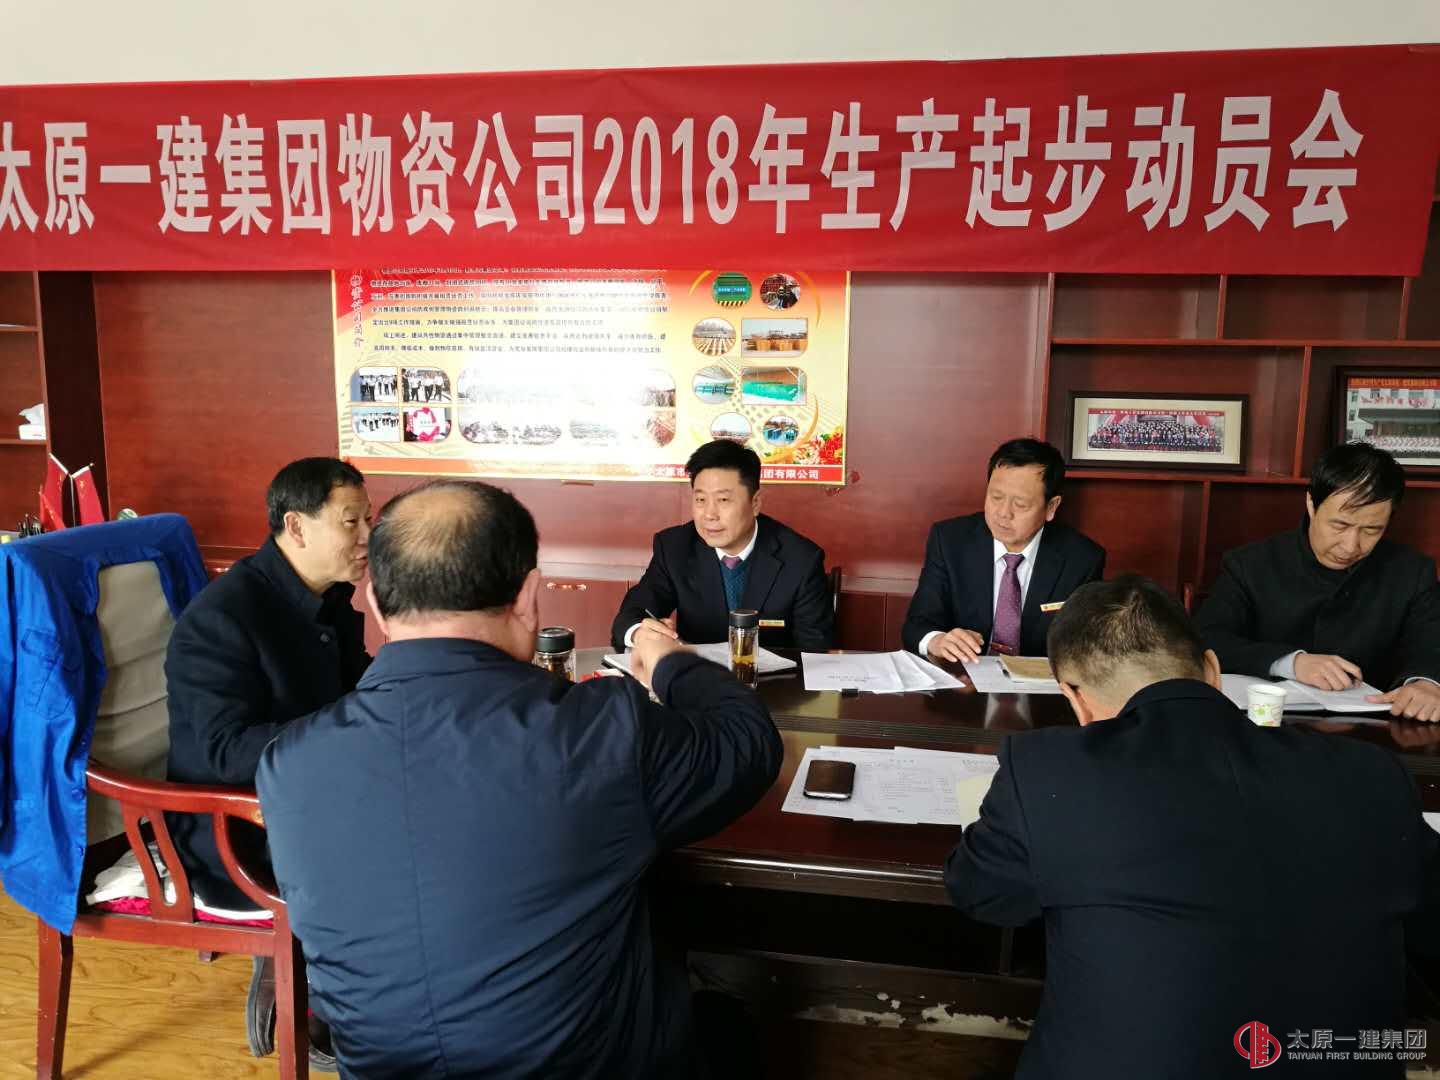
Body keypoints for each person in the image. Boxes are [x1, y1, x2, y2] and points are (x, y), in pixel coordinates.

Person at [257, 479, 782, 1079]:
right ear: (530, 596)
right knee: (727, 1022)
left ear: (374, 603)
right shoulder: (600, 732)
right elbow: (748, 742)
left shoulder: (288, 764)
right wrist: (668, 662)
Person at [947, 575, 1440, 1079]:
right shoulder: (1372, 773)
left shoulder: (1048, 769)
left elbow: (982, 893)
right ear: (1212, 669)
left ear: (1074, 697)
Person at [165, 456, 372, 1069]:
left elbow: (359, 690)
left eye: (369, 520)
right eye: (352, 522)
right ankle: (318, 1000)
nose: (367, 537)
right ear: (297, 527)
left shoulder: (326, 599)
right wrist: (345, 733)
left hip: (309, 799)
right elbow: (224, 752)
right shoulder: (222, 619)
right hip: (236, 832)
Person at [1195, 442, 1440, 720]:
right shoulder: (1250, 564)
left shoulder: (1412, 572)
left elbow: (1431, 643)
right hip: (1266, 724)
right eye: (1340, 525)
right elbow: (1207, 637)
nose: (1351, 546)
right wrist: (1291, 663)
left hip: (1370, 729)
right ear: (1311, 504)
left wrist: (1427, 682)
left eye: (1372, 530)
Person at [612, 438, 834, 651]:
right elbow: (633, 613)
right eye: (701, 500)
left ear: (755, 503)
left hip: (771, 678)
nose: (710, 514)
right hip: (695, 675)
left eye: (723, 500)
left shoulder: (801, 560)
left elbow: (814, 653)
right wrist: (638, 632)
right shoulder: (675, 547)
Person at [902, 437, 1104, 662]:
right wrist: (937, 641)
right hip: (964, 677)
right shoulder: (950, 541)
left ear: (1051, 507)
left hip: (1039, 682)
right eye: (996, 497)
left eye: (1020, 504)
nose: (1003, 513)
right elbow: (917, 625)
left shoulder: (1082, 560)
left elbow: (1085, 648)